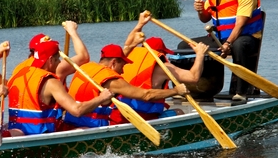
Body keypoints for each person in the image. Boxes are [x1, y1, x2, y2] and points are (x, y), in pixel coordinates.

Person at [61, 44, 190, 129]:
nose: (122, 71)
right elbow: (147, 95)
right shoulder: (113, 81)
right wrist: (175, 90)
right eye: (122, 66)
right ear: (114, 62)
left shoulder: (84, 68)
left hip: (70, 124)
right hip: (92, 127)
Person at [7, 39, 113, 136]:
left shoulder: (18, 74)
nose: (59, 63)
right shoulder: (50, 82)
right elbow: (77, 111)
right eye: (58, 59)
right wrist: (101, 98)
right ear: (51, 60)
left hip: (19, 131)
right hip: (38, 135)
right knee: (85, 128)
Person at [193, 0, 263, 101]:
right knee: (187, 46)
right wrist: (200, 10)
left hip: (245, 37)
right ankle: (202, 89)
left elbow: (240, 25)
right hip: (220, 37)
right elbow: (204, 18)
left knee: (238, 46)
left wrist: (228, 44)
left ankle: (241, 93)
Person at [11, 21, 89, 84]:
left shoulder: (19, 68)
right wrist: (72, 31)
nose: (58, 61)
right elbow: (84, 57)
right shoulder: (56, 67)